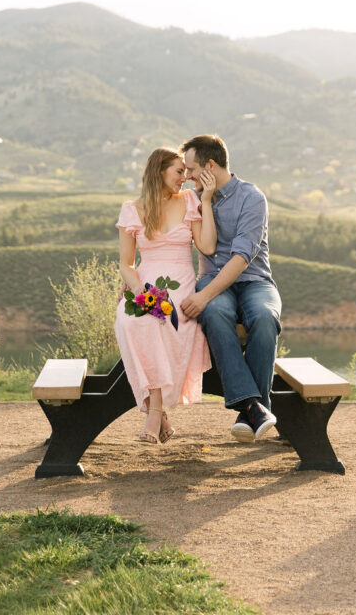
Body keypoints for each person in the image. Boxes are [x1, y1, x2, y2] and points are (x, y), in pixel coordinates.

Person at [181, 134, 282, 442]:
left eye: (190, 168)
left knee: (265, 318)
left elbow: (241, 258)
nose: (186, 176)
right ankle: (255, 406)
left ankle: (247, 410)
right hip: (214, 281)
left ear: (210, 166)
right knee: (215, 313)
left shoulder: (252, 197)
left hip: (254, 281)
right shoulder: (194, 200)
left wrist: (202, 296)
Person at [114, 147, 217, 444]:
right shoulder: (132, 209)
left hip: (181, 284)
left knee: (166, 323)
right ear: (159, 171)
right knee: (134, 323)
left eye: (185, 172)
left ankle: (153, 413)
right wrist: (141, 293)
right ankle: (157, 412)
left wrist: (206, 201)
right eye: (178, 171)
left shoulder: (189, 201)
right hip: (145, 286)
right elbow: (126, 263)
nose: (184, 178)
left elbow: (207, 246)